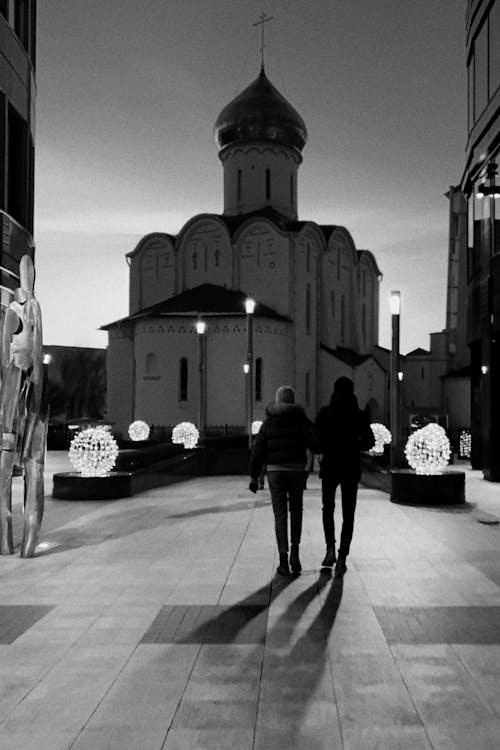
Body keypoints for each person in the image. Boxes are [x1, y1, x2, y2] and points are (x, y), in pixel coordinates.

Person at [249, 385, 320, 576]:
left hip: (275, 472)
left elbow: (258, 451)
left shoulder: (269, 423)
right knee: (296, 511)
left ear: (277, 400)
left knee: (280, 513)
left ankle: (283, 559)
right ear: (293, 400)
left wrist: (254, 477)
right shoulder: (301, 421)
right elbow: (315, 444)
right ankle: (295, 554)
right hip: (296, 470)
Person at [314, 377, 374, 577]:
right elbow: (369, 442)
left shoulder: (325, 413)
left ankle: (330, 548)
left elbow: (316, 438)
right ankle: (342, 557)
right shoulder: (359, 415)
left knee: (327, 508)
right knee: (348, 514)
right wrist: (354, 443)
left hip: (330, 464)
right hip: (350, 466)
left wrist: (327, 447)